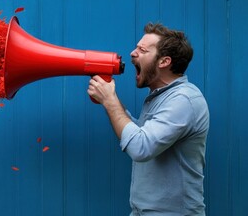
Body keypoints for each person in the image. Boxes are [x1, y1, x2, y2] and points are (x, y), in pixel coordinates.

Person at [87, 23, 209, 215]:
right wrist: (109, 98)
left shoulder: (183, 100)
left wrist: (110, 101)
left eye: (142, 50)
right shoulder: (160, 96)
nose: (132, 53)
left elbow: (140, 147)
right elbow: (143, 135)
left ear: (164, 62)